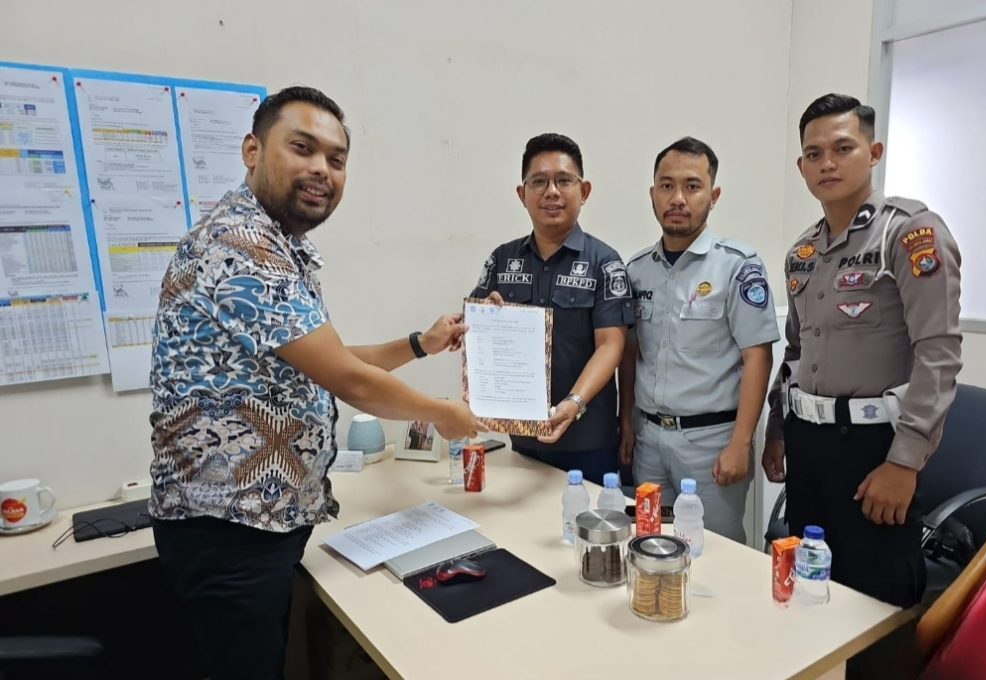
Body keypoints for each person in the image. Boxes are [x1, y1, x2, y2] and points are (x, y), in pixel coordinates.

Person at [147, 86, 484, 680]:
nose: (321, 169)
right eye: (302, 148)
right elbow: (348, 379)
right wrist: (444, 413)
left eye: (336, 158)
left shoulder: (279, 245)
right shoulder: (241, 247)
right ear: (252, 150)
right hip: (231, 529)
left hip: (259, 523)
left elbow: (321, 360)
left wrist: (419, 344)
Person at [762, 93, 963, 610]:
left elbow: (938, 354)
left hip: (875, 449)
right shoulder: (803, 253)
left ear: (873, 153)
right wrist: (777, 430)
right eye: (814, 154)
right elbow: (795, 351)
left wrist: (905, 462)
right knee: (807, 583)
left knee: (873, 596)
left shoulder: (909, 233)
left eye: (842, 148)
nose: (827, 163)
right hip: (809, 444)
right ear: (801, 167)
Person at [617, 137, 779, 543]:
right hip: (649, 440)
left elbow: (758, 357)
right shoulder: (636, 270)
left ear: (713, 195)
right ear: (652, 194)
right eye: (667, 186)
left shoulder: (737, 266)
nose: (678, 198)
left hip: (712, 444)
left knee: (717, 554)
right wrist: (626, 423)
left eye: (692, 186)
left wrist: (741, 443)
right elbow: (630, 353)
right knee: (650, 544)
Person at [471, 133, 633, 484]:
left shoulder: (605, 263)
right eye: (539, 182)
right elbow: (472, 334)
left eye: (564, 180)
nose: (552, 192)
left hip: (588, 442)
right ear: (522, 194)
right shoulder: (502, 260)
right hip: (522, 440)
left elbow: (611, 345)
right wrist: (482, 320)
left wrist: (574, 402)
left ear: (584, 191)